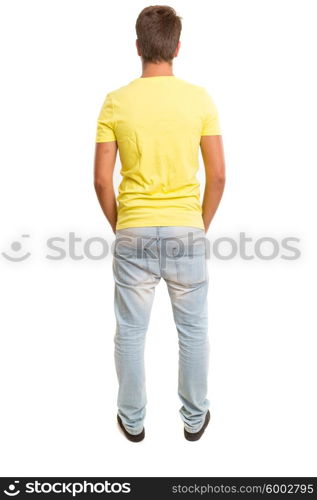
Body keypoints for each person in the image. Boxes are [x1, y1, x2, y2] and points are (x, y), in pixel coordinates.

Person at [94, 5, 226, 442]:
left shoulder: (116, 101)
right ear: (177, 48)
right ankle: (194, 420)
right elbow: (219, 174)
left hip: (133, 230)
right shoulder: (199, 99)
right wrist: (198, 225)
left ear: (138, 47)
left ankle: (132, 422)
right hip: (186, 228)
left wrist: (123, 226)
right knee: (193, 330)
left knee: (131, 332)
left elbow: (100, 179)